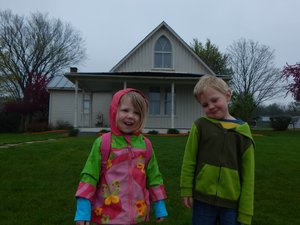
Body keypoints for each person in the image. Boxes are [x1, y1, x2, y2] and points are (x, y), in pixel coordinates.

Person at [74, 88, 168, 225]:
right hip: (107, 217)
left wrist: (159, 205)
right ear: (114, 111)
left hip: (136, 217)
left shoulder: (145, 145)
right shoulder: (103, 143)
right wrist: (83, 209)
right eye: (125, 110)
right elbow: (89, 176)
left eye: (137, 113)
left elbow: (154, 176)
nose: (131, 116)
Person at [180, 75, 255, 225]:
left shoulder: (243, 132)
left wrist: (246, 212)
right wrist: (186, 189)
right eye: (205, 105)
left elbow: (249, 176)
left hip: (231, 203)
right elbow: (189, 160)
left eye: (214, 100)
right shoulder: (200, 126)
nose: (211, 107)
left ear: (227, 95)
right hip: (203, 200)